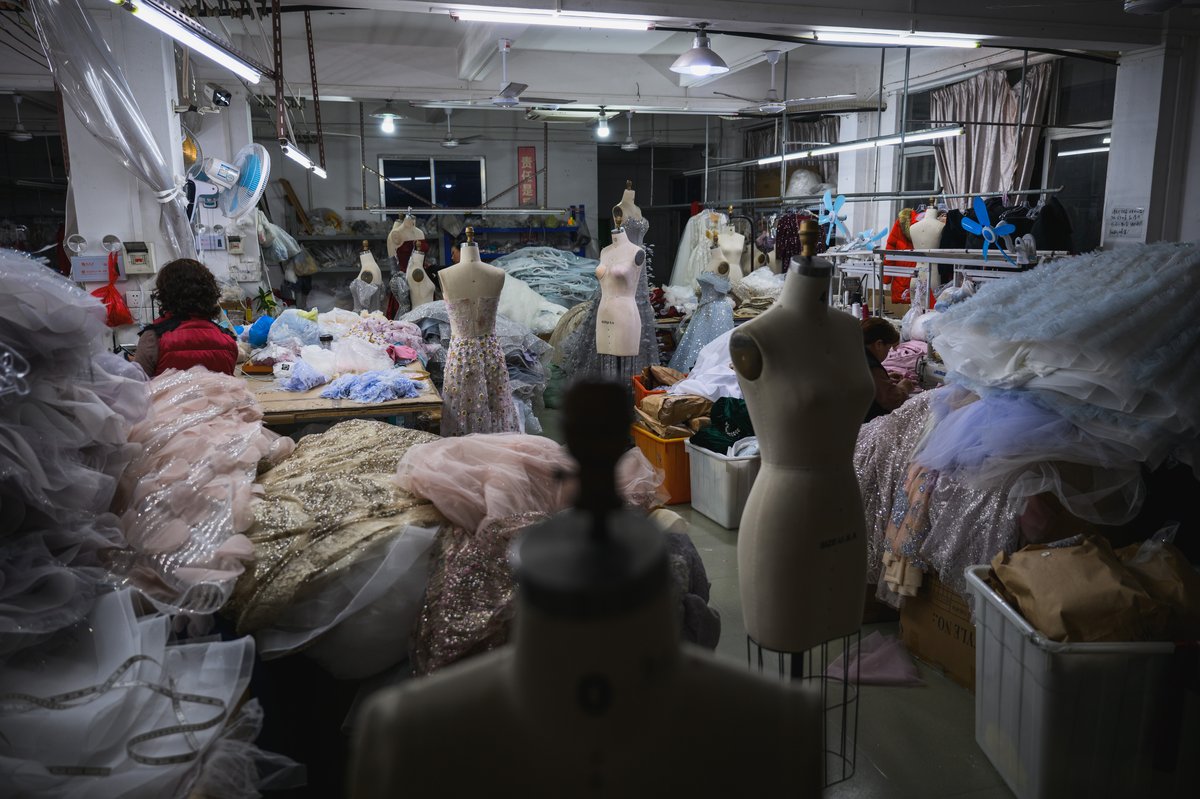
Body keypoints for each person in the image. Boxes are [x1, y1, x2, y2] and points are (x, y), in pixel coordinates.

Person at [132, 258, 237, 377]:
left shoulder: (153, 338)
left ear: (165, 294)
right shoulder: (227, 339)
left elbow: (136, 388)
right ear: (210, 293)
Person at [862, 316, 913, 423]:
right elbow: (893, 401)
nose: (888, 353)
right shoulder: (872, 366)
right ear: (879, 344)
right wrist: (904, 387)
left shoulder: (854, 356)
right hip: (865, 428)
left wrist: (885, 379)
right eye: (889, 348)